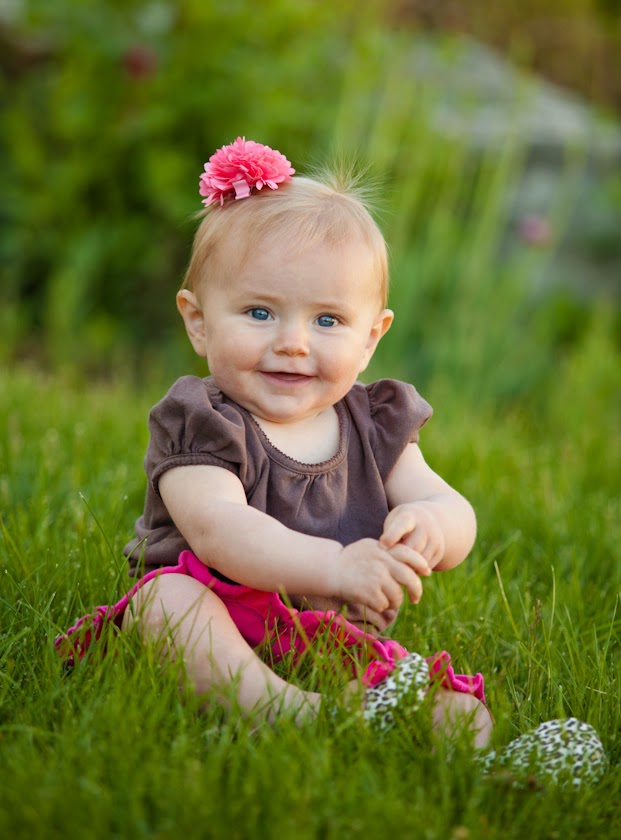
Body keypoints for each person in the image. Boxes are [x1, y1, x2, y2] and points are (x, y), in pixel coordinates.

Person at [55, 138, 488, 747]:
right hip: (217, 608)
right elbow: (219, 530)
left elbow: (451, 506)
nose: (293, 342)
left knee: (467, 719)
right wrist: (337, 566)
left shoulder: (376, 422)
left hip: (328, 634)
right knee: (165, 603)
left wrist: (432, 526)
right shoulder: (202, 420)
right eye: (260, 313)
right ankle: (287, 711)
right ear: (199, 321)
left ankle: (366, 711)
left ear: (370, 338)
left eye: (327, 320)